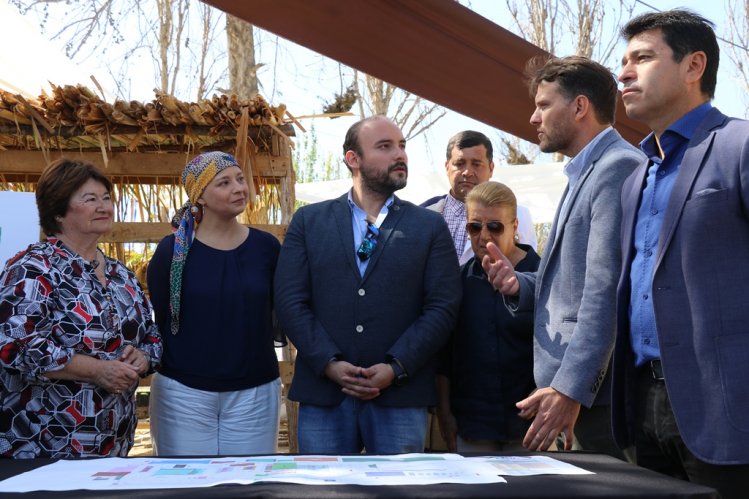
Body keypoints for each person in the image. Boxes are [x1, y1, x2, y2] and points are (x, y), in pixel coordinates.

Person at [612, 10, 749, 497]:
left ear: (694, 66)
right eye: (622, 61)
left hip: (728, 412)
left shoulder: (739, 145)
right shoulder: (636, 178)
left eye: (642, 58)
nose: (623, 72)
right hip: (643, 408)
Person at [482, 56, 643, 457]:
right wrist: (521, 283)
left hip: (596, 396)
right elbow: (572, 283)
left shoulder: (616, 167)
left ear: (580, 106)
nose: (533, 117)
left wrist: (570, 388)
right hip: (580, 394)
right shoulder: (584, 171)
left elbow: (605, 291)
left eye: (543, 104)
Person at [274, 115, 461, 454]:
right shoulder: (309, 221)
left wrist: (396, 367)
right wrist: (328, 363)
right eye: (385, 146)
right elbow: (290, 301)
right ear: (353, 159)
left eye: (402, 146)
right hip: (324, 395)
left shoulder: (429, 227)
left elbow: (443, 307)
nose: (399, 155)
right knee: (323, 494)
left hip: (400, 397)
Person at [0, 158, 162, 458]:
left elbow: (152, 334)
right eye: (90, 199)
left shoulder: (120, 275)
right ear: (59, 212)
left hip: (112, 448)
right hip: (43, 447)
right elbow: (16, 347)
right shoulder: (33, 269)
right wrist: (97, 370)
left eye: (106, 198)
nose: (104, 206)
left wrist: (143, 357)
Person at [146, 151, 282, 456]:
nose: (238, 188)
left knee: (248, 485)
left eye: (240, 179)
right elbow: (162, 318)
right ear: (201, 197)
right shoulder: (172, 251)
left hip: (255, 391)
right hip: (183, 393)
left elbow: (278, 311)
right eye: (223, 182)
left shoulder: (267, 248)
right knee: (185, 487)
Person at [436, 181, 540, 453]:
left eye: (495, 226)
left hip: (530, 425)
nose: (483, 236)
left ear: (515, 226)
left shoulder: (544, 275)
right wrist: (444, 413)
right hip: (472, 427)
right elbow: (446, 357)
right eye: (474, 226)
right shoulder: (457, 281)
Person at [421, 130, 537, 265]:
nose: (467, 172)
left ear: (491, 168)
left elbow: (528, 270)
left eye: (476, 164)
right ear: (447, 167)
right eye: (459, 163)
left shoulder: (519, 215)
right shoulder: (423, 214)